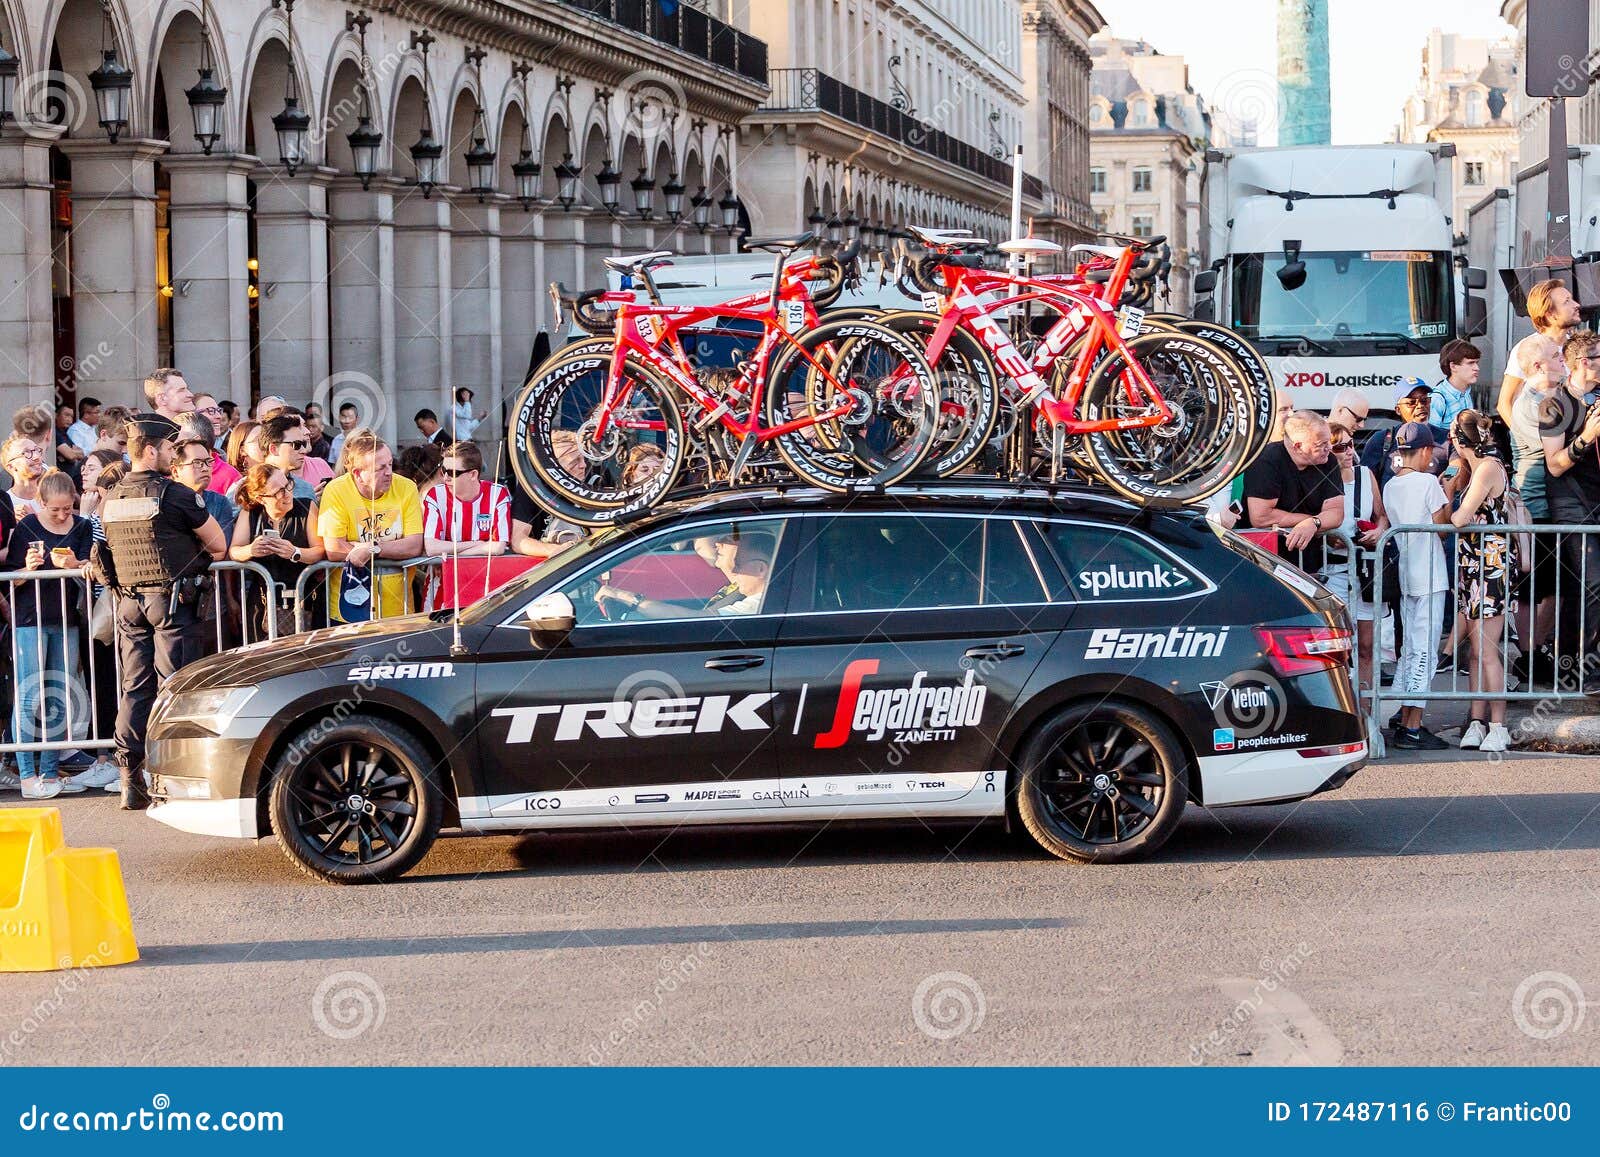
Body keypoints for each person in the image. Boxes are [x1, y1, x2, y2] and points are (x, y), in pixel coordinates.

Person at [95, 413, 227, 809]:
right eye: (170, 448)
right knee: (176, 687)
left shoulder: (112, 497)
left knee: (135, 689)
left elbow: (102, 555)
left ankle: (129, 781)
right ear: (151, 450)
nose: (173, 455)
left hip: (129, 603)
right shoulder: (176, 495)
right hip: (171, 603)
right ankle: (175, 778)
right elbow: (218, 545)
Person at [5, 470, 105, 798]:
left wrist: (76, 564)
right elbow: (12, 580)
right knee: (29, 695)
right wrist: (28, 568)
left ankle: (49, 771)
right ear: (41, 504)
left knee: (59, 694)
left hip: (67, 619)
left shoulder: (82, 527)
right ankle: (27, 773)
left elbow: (91, 574)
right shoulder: (27, 527)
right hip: (30, 618)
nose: (63, 515)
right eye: (55, 510)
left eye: (68, 508)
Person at [1383, 422, 1453, 750]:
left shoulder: (1391, 486)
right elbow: (1442, 528)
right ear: (1425, 451)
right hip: (1430, 574)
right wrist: (1448, 492)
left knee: (1411, 648)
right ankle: (1412, 725)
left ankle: (1406, 716)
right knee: (1425, 649)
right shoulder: (1427, 481)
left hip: (1407, 574)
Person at [1449, 410, 1516, 752]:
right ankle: (1476, 721)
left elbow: (1459, 518)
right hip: (1471, 564)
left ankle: (1498, 725)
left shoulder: (1488, 467)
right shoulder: (1473, 468)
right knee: (1474, 652)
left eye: (1452, 436)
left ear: (1461, 440)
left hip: (1490, 564)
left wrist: (1452, 483)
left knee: (1488, 651)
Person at [1540, 328, 1600, 684]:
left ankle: (1572, 666)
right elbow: (1554, 463)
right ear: (1583, 362)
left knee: (1584, 590)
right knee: (1592, 584)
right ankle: (1586, 671)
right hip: (1571, 503)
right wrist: (1587, 437)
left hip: (1597, 497)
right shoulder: (1555, 404)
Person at [318, 429, 425, 621]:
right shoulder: (336, 490)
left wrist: (371, 549)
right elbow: (334, 548)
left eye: (391, 464)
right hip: (349, 609)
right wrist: (389, 548)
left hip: (399, 611)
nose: (389, 473)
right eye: (380, 468)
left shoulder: (406, 487)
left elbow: (414, 544)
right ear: (358, 474)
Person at [1322, 421, 1388, 691]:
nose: (1350, 451)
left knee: (1367, 645)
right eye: (1341, 446)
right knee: (1339, 645)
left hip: (1365, 570)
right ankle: (1346, 705)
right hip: (1333, 571)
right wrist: (1327, 536)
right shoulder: (1322, 480)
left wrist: (1378, 532)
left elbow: (1382, 515)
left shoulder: (1365, 475)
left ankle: (1366, 708)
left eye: (1351, 444)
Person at [1240, 410, 1344, 574]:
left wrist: (1313, 524)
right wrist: (1309, 521)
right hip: (1265, 562)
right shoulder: (1266, 460)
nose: (1329, 448)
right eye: (1321, 444)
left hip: (1309, 562)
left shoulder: (1328, 461)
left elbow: (1336, 512)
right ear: (1298, 446)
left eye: (1328, 441)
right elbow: (1260, 517)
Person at [230, 464, 324, 638]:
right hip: (262, 602)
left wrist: (295, 552)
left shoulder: (306, 506)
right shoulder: (251, 513)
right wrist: (251, 550)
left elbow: (320, 550)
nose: (287, 494)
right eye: (278, 492)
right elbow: (234, 551)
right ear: (261, 498)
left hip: (304, 599)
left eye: (287, 485)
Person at [598, 532, 774, 618]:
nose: (718, 543)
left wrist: (628, 598)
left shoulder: (759, 605)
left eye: (738, 565)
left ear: (760, 569)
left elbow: (695, 619)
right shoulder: (742, 591)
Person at [422, 441, 511, 609]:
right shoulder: (435, 495)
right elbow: (432, 547)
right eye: (443, 470)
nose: (445, 477)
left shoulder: (497, 494)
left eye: (452, 472)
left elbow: (498, 547)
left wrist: (449, 554)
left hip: (484, 586)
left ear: (473, 474)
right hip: (442, 587)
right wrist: (478, 545)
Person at [1500, 278, 1580, 436]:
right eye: (1567, 302)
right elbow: (1505, 403)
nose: (1576, 304)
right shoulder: (1527, 349)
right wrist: (1530, 441)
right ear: (1551, 315)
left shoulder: (1582, 348)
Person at [1362, 378, 1449, 488]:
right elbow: (1366, 482)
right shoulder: (1381, 440)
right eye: (1411, 402)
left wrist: (1448, 480)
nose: (1420, 406)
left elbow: (1457, 467)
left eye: (1424, 400)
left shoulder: (1446, 438)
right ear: (1398, 410)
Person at [172, 420, 236, 545]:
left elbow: (220, 551)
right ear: (175, 471)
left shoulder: (220, 503)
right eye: (197, 463)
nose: (205, 468)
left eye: (208, 462)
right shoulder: (165, 501)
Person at [191, 393, 242, 495]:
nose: (218, 416)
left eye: (218, 411)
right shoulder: (171, 468)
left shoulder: (229, 474)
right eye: (210, 411)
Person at [261, 413, 317, 501]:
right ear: (274, 449)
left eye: (303, 444)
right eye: (297, 445)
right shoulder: (247, 488)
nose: (304, 451)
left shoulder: (306, 489)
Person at [1431, 339, 1482, 431]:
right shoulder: (1438, 398)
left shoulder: (1467, 393)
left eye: (1476, 362)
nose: (1477, 368)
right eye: (1470, 363)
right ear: (1453, 366)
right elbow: (1432, 436)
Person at [4, 434, 45, 517]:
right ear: (11, 466)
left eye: (37, 450)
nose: (36, 457)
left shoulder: (52, 497)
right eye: (26, 453)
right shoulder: (5, 505)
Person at [53, 403, 84, 481]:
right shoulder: (55, 433)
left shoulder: (66, 434)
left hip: (71, 478)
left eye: (71, 416)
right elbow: (70, 456)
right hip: (61, 480)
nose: (69, 419)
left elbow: (82, 453)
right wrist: (71, 453)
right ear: (56, 415)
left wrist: (71, 454)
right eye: (66, 415)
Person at [329, 401, 358, 466]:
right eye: (344, 417)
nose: (347, 421)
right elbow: (333, 464)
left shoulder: (362, 439)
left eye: (350, 417)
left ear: (357, 419)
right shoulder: (336, 440)